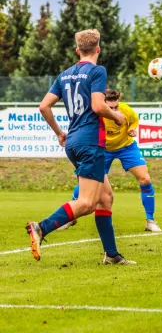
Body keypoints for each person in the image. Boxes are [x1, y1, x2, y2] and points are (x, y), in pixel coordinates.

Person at [26, 29, 136, 265]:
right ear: (98, 49)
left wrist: (59, 133)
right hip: (90, 142)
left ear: (77, 50)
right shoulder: (97, 71)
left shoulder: (64, 75)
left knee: (105, 197)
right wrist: (116, 116)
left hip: (73, 141)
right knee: (86, 203)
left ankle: (112, 255)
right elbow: (98, 106)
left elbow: (44, 107)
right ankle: (41, 227)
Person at [63, 89, 162, 232]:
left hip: (126, 147)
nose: (115, 110)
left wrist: (132, 129)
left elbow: (134, 120)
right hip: (103, 149)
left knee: (145, 179)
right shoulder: (95, 113)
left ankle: (150, 221)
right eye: (111, 108)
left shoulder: (125, 110)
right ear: (102, 104)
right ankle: (71, 217)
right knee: (87, 182)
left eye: (116, 107)